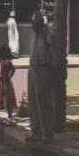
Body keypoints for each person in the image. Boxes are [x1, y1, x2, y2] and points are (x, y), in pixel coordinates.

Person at [27, 11, 54, 143]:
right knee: (33, 101)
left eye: (37, 23)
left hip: (44, 69)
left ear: (42, 24)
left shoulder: (47, 36)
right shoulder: (33, 37)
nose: (34, 26)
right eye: (33, 23)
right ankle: (36, 132)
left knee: (43, 102)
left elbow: (53, 54)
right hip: (33, 69)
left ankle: (47, 133)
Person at [0, 43, 17, 121]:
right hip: (2, 81)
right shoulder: (1, 62)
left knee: (6, 98)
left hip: (4, 81)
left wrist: (8, 76)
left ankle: (9, 115)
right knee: (1, 98)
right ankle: (1, 115)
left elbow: (13, 70)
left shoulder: (6, 62)